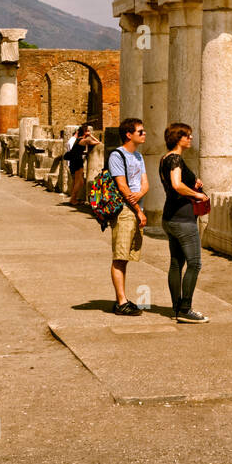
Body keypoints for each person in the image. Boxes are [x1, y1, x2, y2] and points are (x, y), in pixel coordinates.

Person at [158, 122, 211, 323]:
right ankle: (186, 309)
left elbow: (176, 185)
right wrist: (197, 194)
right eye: (187, 136)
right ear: (178, 138)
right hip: (182, 219)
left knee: (176, 263)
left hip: (170, 217)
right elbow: (176, 185)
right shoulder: (175, 159)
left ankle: (176, 308)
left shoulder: (164, 159)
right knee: (195, 263)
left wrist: (193, 184)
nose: (190, 138)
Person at [107, 118, 148, 316]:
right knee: (120, 257)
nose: (144, 134)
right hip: (124, 210)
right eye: (140, 131)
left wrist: (140, 196)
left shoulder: (139, 157)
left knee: (127, 257)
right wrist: (138, 210)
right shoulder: (117, 155)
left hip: (136, 207)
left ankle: (122, 298)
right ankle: (121, 301)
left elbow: (145, 183)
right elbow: (122, 186)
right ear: (129, 135)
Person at [66, 124, 100, 205]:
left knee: (76, 181)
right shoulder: (85, 141)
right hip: (77, 161)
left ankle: (73, 198)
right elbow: (98, 142)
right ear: (85, 132)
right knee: (79, 181)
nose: (89, 132)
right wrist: (91, 135)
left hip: (74, 161)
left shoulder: (78, 140)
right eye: (88, 131)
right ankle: (73, 199)